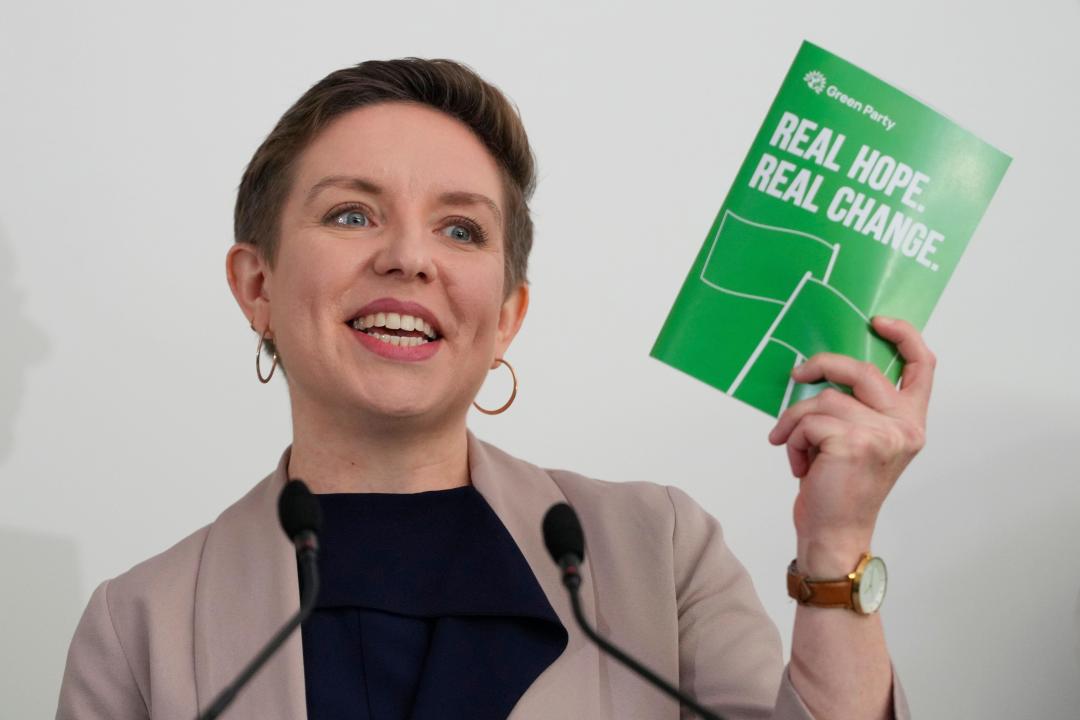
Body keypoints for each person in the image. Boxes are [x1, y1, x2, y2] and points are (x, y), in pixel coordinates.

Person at [56, 58, 931, 720]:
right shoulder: (140, 625)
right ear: (256, 287)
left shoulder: (659, 553)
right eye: (351, 214)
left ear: (507, 313)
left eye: (461, 228)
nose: (409, 257)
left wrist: (838, 545)